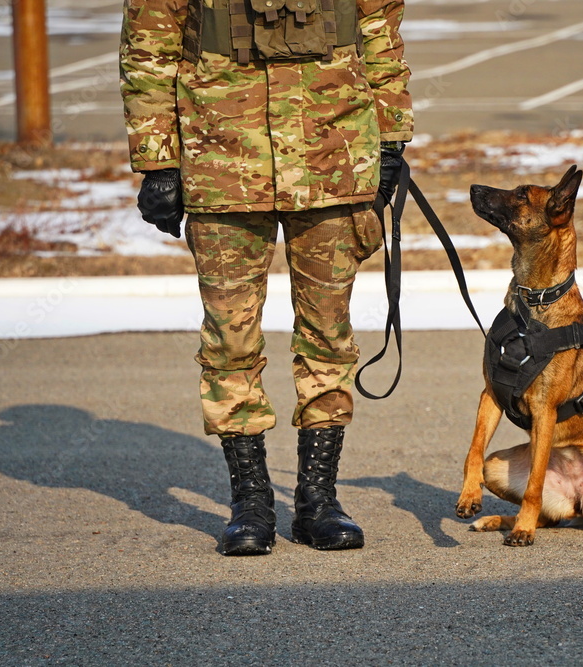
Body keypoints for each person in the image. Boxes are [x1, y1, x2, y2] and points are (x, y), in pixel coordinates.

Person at [119, 0, 412, 555]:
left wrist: (392, 136)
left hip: (334, 147)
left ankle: (317, 502)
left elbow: (380, 32)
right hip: (221, 151)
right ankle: (251, 503)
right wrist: (157, 160)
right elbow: (148, 47)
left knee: (328, 333)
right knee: (230, 338)